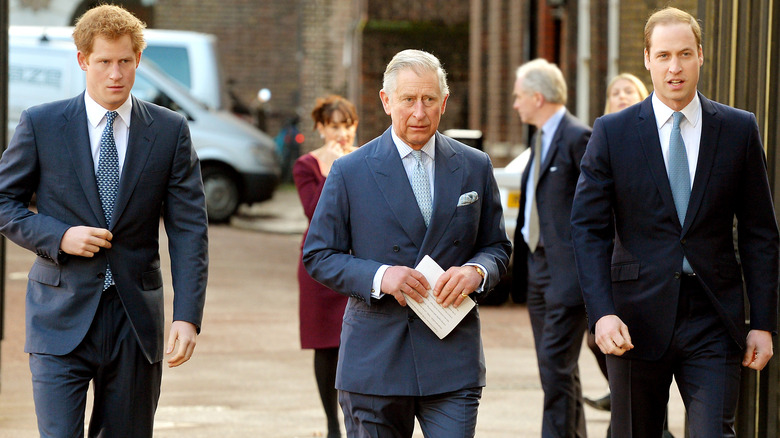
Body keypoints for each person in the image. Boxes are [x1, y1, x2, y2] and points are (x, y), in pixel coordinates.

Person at [0, 5, 209, 437]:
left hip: (135, 321)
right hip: (59, 317)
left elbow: (189, 229)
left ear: (137, 60)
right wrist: (59, 236)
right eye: (104, 62)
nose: (116, 74)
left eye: (126, 61)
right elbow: (5, 201)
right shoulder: (42, 124)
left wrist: (187, 316)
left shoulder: (170, 131)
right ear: (83, 60)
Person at [571, 7, 778, 437]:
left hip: (714, 317)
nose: (674, 67)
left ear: (701, 55)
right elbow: (587, 229)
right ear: (647, 59)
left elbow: (760, 232)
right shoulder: (613, 132)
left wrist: (762, 321)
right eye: (663, 55)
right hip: (634, 320)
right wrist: (602, 314)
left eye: (684, 54)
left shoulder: (739, 130)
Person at [303, 49, 511, 437]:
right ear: (386, 101)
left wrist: (476, 271)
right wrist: (381, 276)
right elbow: (318, 255)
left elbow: (497, 247)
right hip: (375, 361)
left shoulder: (474, 165)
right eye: (408, 100)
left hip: (452, 357)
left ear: (444, 102)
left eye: (429, 100)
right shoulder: (350, 171)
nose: (419, 112)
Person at [510, 58, 592, 437]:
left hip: (566, 273)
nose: (515, 104)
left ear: (538, 97)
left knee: (556, 368)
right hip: (537, 269)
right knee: (556, 369)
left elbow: (599, 209)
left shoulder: (579, 137)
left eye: (518, 96)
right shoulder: (540, 137)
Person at [293, 95, 359, 438]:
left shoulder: (366, 159)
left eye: (347, 125)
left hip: (359, 263)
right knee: (326, 346)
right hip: (320, 268)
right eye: (334, 126)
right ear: (320, 128)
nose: (342, 133)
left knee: (359, 342)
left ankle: (357, 419)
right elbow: (314, 213)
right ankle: (333, 426)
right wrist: (332, 169)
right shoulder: (306, 165)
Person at [583, 72, 649, 414]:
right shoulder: (604, 136)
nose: (621, 96)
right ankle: (618, 395)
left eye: (629, 91)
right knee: (600, 338)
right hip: (609, 261)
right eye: (615, 92)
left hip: (646, 265)